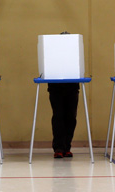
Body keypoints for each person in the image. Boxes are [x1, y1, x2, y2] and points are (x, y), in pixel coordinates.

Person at [48, 31, 80, 159]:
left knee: (71, 117)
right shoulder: (52, 53)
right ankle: (58, 147)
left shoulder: (75, 54)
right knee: (58, 117)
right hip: (56, 88)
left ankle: (67, 147)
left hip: (72, 87)